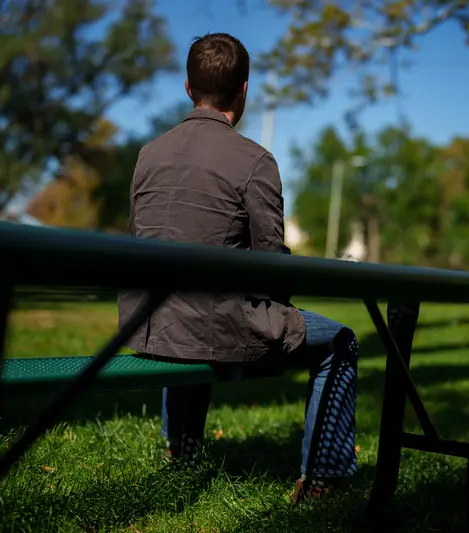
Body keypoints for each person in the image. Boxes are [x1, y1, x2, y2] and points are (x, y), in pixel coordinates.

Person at [117, 33, 360, 504]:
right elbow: (270, 268)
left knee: (186, 310)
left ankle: (181, 452)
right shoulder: (255, 161)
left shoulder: (148, 155)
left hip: (148, 323)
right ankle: (323, 481)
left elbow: (141, 241)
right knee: (341, 343)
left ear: (189, 87)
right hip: (213, 324)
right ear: (244, 91)